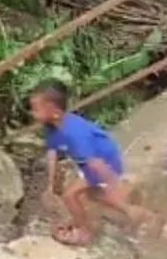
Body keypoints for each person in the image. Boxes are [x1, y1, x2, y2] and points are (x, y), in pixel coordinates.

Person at [31, 79, 153, 246]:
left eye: (36, 109)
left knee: (70, 195)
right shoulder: (51, 126)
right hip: (92, 160)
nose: (33, 114)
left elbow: (95, 164)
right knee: (92, 194)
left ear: (55, 112)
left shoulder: (74, 134)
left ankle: (85, 231)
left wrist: (112, 183)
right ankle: (135, 212)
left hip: (103, 160)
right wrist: (50, 185)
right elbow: (52, 152)